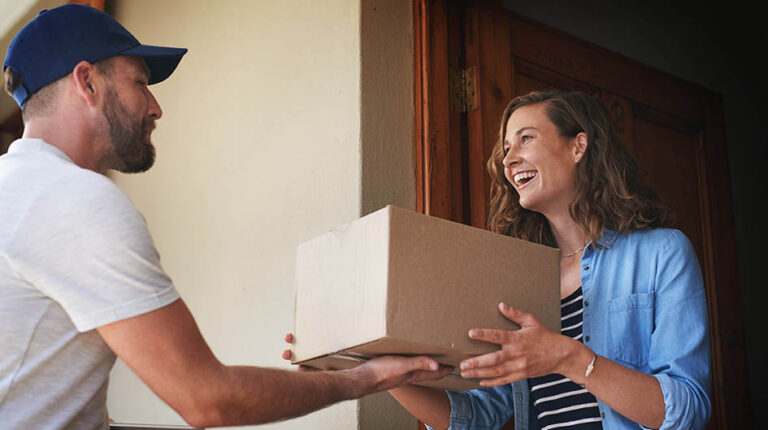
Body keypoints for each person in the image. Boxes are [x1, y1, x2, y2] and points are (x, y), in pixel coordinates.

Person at [0, 5, 450, 429]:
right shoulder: (74, 201)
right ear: (88, 82)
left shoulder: (17, 189)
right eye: (139, 83)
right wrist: (365, 378)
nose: (155, 107)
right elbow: (208, 398)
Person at [386, 91, 711, 429]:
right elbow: (475, 419)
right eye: (507, 148)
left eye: (526, 138)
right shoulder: (514, 282)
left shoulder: (663, 253)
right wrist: (384, 373)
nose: (509, 160)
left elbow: (687, 411)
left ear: (578, 146)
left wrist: (568, 358)